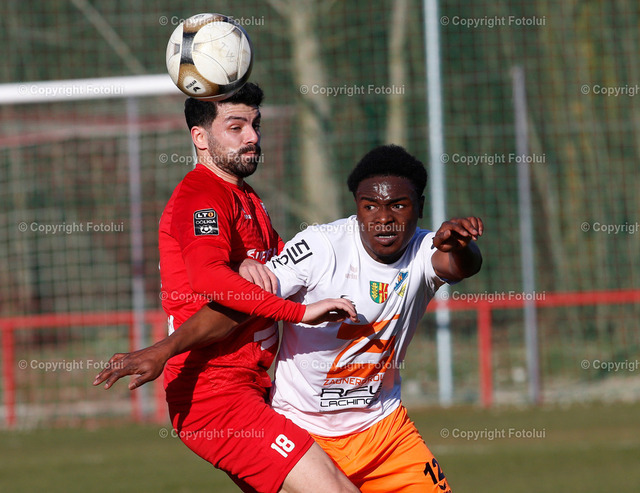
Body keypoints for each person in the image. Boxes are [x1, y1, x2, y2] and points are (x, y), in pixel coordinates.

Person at [96, 144, 483, 492]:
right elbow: (241, 306)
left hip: (385, 431)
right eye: (370, 206)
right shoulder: (320, 247)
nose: (383, 218)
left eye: (398, 206)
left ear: (419, 206)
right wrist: (164, 350)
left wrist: (462, 246)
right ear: (356, 205)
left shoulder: (425, 249)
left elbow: (460, 265)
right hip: (304, 432)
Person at [95, 82, 359, 493]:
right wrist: (299, 312)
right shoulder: (201, 196)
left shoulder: (246, 197)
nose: (252, 136)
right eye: (235, 127)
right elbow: (209, 279)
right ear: (200, 138)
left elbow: (285, 268)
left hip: (251, 386)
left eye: (255, 124)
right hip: (215, 396)